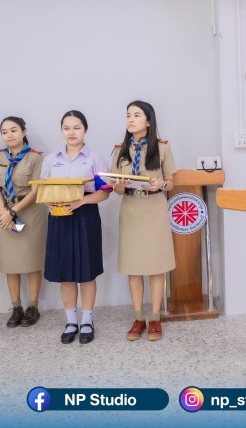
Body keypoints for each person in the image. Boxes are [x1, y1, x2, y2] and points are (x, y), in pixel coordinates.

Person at [41, 110, 109, 345]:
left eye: (76, 127)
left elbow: (104, 192)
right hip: (59, 218)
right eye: (67, 128)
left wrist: (81, 202)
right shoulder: (51, 159)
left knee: (87, 272)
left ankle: (87, 321)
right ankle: (71, 322)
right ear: (62, 131)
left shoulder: (95, 159)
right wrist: (50, 204)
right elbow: (43, 189)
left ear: (85, 130)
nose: (71, 132)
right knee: (66, 273)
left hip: (85, 216)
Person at [110, 101, 176, 342]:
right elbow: (115, 188)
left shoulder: (163, 148)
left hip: (154, 209)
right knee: (134, 266)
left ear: (148, 121)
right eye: (128, 115)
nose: (131, 119)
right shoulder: (120, 150)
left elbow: (171, 182)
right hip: (131, 209)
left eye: (137, 115)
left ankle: (155, 318)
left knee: (156, 266)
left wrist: (160, 184)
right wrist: (119, 185)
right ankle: (138, 318)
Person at [0, 117, 46, 328]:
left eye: (13, 130)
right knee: (10, 263)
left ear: (23, 132)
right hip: (3, 213)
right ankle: (16, 307)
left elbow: (36, 190)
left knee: (32, 261)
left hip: (30, 212)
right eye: (5, 132)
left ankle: (33, 306)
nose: (9, 135)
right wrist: (5, 213)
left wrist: (13, 212)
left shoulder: (35, 157)